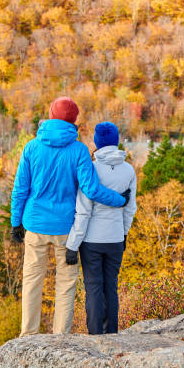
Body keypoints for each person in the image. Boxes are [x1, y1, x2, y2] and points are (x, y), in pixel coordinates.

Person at [10, 97, 131, 337]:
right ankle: (60, 337)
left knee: (32, 282)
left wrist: (16, 222)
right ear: (74, 120)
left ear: (50, 115)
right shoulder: (78, 151)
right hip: (67, 228)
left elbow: (20, 188)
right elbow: (92, 189)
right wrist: (120, 200)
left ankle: (28, 335)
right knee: (65, 285)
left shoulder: (32, 147)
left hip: (35, 224)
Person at [65, 122, 137, 334]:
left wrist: (73, 244)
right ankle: (112, 332)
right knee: (110, 288)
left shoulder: (91, 168)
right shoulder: (128, 170)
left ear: (96, 142)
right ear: (116, 141)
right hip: (115, 238)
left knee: (94, 288)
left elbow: (84, 211)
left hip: (91, 241)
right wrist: (124, 233)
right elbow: (129, 207)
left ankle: (96, 335)